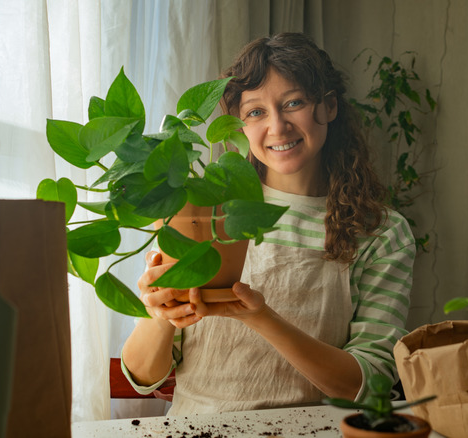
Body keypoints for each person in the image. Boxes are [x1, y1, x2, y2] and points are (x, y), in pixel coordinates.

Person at [121, 32, 416, 415]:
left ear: (328, 106)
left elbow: (367, 385)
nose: (277, 127)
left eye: (293, 103)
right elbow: (144, 377)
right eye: (256, 112)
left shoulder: (380, 231)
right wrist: (159, 314)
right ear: (237, 126)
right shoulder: (203, 208)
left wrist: (262, 318)